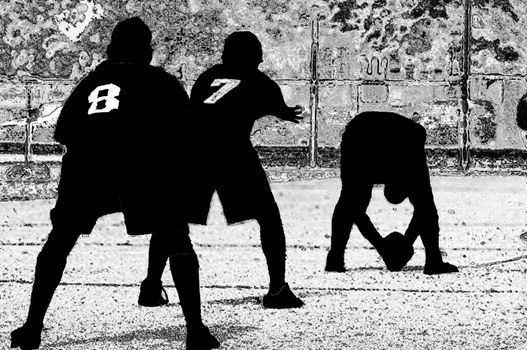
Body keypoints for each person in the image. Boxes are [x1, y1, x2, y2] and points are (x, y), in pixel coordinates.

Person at [10, 17, 219, 350]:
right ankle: (195, 329)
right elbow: (182, 134)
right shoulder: (160, 81)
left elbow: (63, 132)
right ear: (147, 52)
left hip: (87, 167)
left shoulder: (90, 83)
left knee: (59, 240)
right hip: (143, 168)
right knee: (177, 239)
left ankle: (32, 327)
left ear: (111, 50)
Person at [138, 31, 304, 309]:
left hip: (193, 152)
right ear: (255, 56)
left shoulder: (207, 77)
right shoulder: (260, 82)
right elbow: (277, 107)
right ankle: (277, 290)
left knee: (172, 220)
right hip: (233, 153)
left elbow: (206, 107)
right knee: (268, 217)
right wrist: (285, 112)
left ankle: (151, 285)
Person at [325, 111, 459, 275]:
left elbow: (354, 211)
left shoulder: (409, 153)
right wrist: (403, 244)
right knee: (423, 202)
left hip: (359, 132)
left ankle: (335, 258)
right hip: (370, 135)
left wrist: (383, 245)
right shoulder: (411, 157)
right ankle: (433, 261)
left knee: (350, 200)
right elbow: (425, 209)